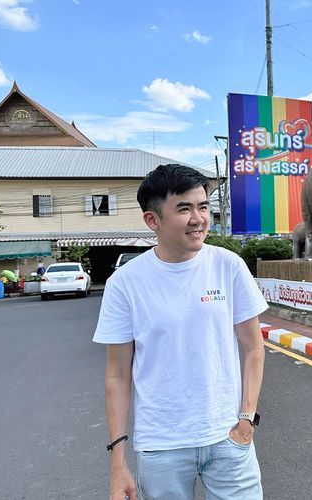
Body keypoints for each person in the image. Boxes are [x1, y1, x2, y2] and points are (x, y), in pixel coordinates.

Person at [93, 164, 268, 500]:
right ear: (152, 220)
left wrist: (246, 419)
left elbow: (253, 348)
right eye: (184, 208)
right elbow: (116, 374)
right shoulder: (125, 284)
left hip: (228, 439)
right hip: (161, 448)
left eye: (203, 207)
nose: (198, 218)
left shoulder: (228, 266)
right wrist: (118, 463)